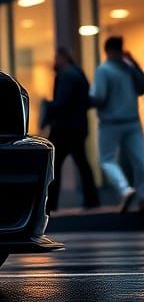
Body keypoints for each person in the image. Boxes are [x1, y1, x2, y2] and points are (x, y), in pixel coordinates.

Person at [90, 35, 144, 212]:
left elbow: (99, 97)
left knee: (107, 159)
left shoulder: (103, 70)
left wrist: (86, 100)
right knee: (141, 160)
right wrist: (133, 63)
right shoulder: (129, 68)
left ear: (106, 50)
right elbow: (142, 87)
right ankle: (142, 196)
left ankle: (125, 189)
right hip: (132, 121)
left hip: (110, 123)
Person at [43, 48, 99, 211]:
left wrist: (48, 107)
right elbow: (87, 101)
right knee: (82, 163)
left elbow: (62, 102)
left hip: (64, 129)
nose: (55, 62)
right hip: (78, 127)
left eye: (56, 58)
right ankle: (92, 200)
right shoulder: (78, 73)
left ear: (63, 58)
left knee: (54, 166)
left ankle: (51, 204)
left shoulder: (66, 76)